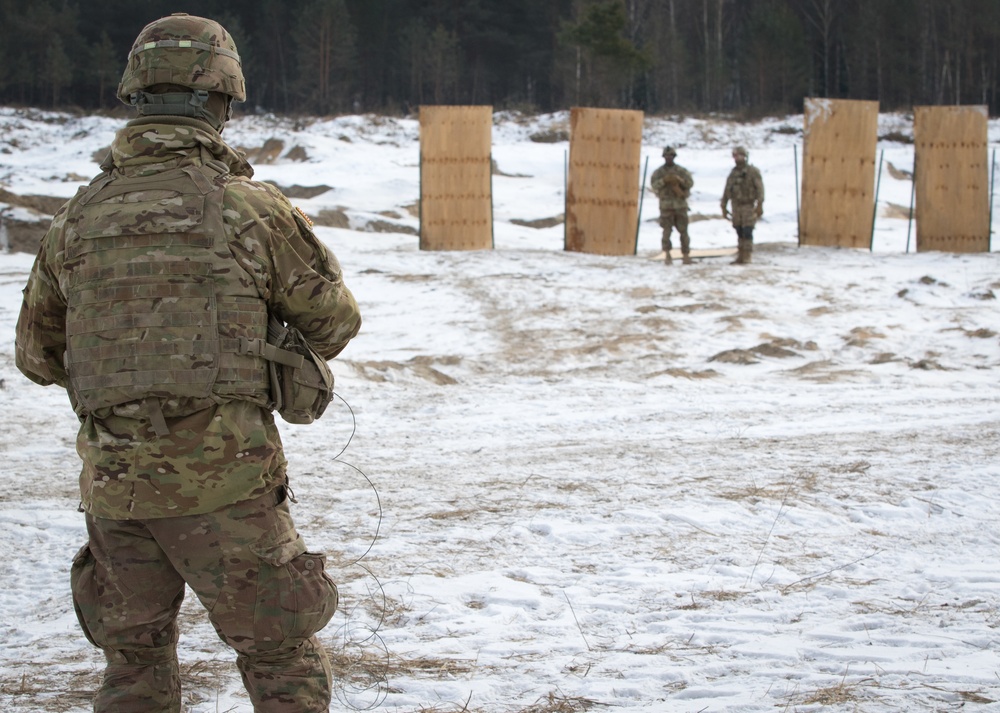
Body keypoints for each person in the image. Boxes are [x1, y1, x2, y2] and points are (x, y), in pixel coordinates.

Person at [15, 13, 362, 713]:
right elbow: (334, 319)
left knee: (134, 667)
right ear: (221, 102)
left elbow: (36, 354)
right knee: (280, 660)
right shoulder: (248, 208)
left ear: (135, 99)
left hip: (117, 490)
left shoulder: (77, 219)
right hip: (227, 487)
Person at [649, 146, 694, 264]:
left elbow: (690, 183)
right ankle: (667, 254)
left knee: (683, 232)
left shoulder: (681, 171)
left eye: (670, 156)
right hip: (666, 206)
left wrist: (679, 181)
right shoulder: (659, 173)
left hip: (680, 206)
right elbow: (654, 185)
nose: (668, 158)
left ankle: (685, 255)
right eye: (666, 156)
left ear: (674, 157)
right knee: (666, 232)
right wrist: (664, 180)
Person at [720, 146, 765, 265]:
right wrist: (723, 206)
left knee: (747, 230)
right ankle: (740, 254)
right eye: (735, 156)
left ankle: (747, 255)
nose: (737, 158)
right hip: (736, 206)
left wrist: (760, 204)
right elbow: (727, 190)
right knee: (738, 229)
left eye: (740, 155)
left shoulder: (752, 172)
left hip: (748, 205)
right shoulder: (733, 173)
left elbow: (760, 189)